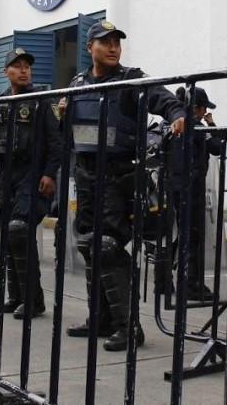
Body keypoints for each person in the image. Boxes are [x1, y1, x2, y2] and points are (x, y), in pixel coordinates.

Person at [65, 20, 185, 352]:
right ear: (90, 48)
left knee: (107, 246)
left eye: (117, 41)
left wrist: (177, 113)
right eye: (106, 42)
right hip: (86, 175)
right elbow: (70, 129)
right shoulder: (77, 83)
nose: (114, 47)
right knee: (89, 245)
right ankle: (100, 319)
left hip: (119, 177)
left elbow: (163, 97)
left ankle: (128, 327)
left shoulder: (131, 79)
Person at [0, 48, 62, 319]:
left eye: (27, 66)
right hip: (3, 176)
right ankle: (16, 295)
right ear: (5, 71)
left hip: (31, 174)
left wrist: (49, 174)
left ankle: (34, 300)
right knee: (9, 236)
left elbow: (55, 144)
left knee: (19, 230)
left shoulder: (42, 100)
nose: (24, 70)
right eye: (17, 66)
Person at [166, 86, 223, 299]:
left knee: (171, 234)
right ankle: (192, 284)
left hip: (171, 186)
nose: (204, 112)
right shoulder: (199, 128)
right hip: (192, 187)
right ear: (197, 109)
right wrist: (211, 123)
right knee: (193, 235)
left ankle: (163, 281)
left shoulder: (169, 125)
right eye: (203, 109)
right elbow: (218, 147)